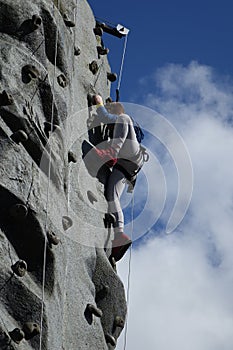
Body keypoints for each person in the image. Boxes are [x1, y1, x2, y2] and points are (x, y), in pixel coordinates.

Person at [93, 95, 144, 262]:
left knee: (123, 118)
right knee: (111, 197)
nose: (110, 112)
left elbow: (105, 117)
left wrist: (99, 102)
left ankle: (111, 153)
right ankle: (119, 236)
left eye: (111, 109)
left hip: (128, 155)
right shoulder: (116, 126)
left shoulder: (122, 118)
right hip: (126, 167)